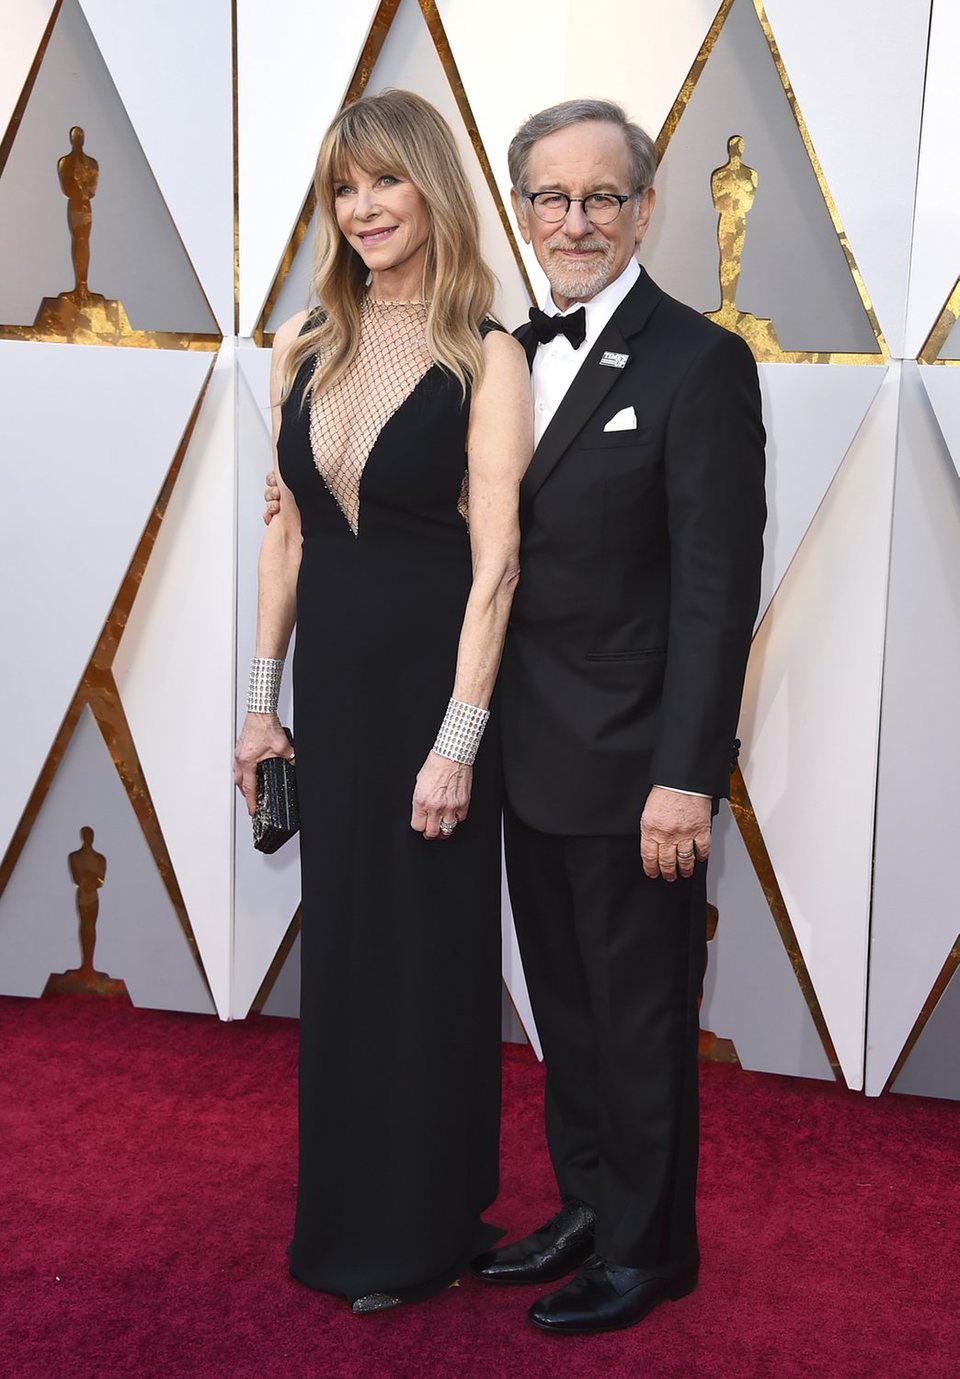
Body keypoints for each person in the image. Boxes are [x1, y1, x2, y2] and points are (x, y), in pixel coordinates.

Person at [264, 97, 766, 1334]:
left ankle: (651, 1252)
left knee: (641, 1018)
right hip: (524, 752)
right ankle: (590, 1206)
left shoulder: (702, 362)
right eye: (551, 197)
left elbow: (716, 591)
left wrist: (687, 772)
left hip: (636, 761)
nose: (575, 220)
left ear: (645, 208)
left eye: (602, 197)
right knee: (568, 1012)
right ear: (522, 209)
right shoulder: (517, 346)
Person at [234, 89, 532, 1315]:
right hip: (336, 700)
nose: (361, 208)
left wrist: (457, 741)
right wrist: (260, 701)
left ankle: (420, 1225)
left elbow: (499, 561)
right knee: (351, 958)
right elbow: (287, 535)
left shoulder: (487, 353)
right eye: (342, 188)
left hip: (435, 696)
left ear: (430, 191)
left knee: (428, 960)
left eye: (384, 183)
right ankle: (357, 1208)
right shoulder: (303, 339)